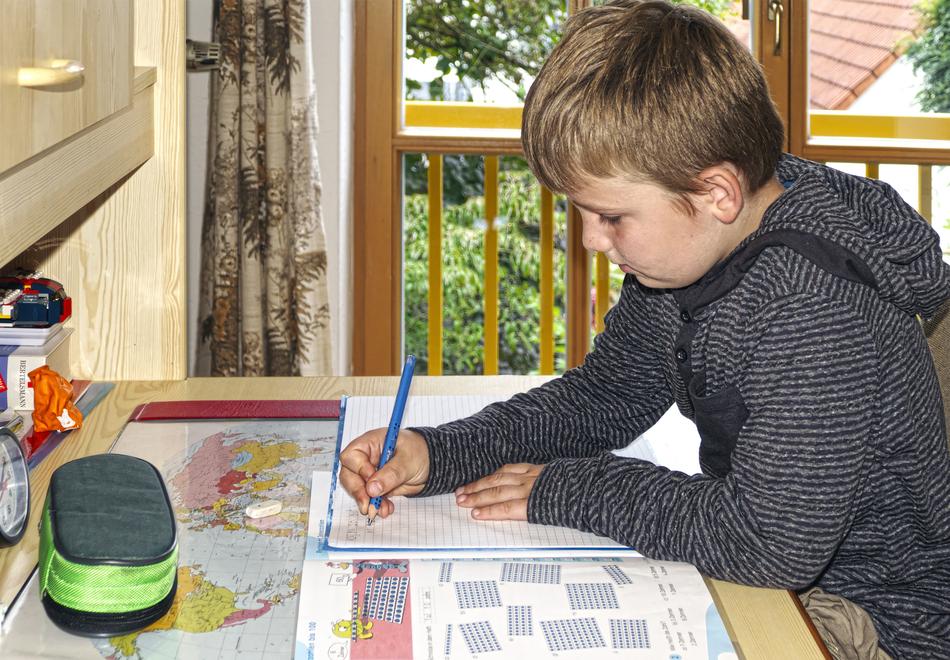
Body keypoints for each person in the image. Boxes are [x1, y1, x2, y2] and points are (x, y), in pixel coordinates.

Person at [340, 1, 950, 657]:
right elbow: (606, 396)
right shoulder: (691, 252)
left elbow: (768, 544)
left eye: (611, 216)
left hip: (875, 619)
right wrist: (442, 451)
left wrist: (574, 487)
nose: (591, 240)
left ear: (716, 192)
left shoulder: (814, 310)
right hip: (779, 577)